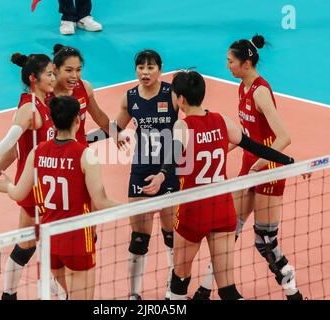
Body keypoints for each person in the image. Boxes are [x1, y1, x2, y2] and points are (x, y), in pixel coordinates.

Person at [144, 70, 295, 300]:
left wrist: (162, 176)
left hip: (193, 210)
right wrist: (287, 160)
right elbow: (254, 146)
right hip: (223, 209)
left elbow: (174, 155)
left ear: (181, 99)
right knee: (228, 290)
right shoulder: (221, 121)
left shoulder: (182, 127)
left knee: (180, 279)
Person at [193, 35, 304, 300]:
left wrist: (259, 164)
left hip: (268, 169)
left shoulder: (261, 91)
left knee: (265, 241)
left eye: (231, 61)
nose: (227, 66)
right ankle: (205, 289)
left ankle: (293, 291)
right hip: (250, 166)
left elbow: (284, 137)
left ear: (246, 63)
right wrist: (221, 148)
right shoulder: (242, 87)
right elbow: (246, 132)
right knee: (227, 232)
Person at [0, 96, 120, 299]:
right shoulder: (85, 155)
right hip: (78, 241)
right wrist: (135, 208)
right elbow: (101, 202)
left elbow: (18, 192)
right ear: (77, 121)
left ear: (52, 122)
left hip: (50, 242)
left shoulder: (38, 152)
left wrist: (6, 185)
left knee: (66, 293)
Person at [89, 50, 178, 300]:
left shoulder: (171, 94)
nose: (145, 72)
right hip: (140, 171)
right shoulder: (130, 97)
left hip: (169, 171)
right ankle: (133, 294)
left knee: (171, 235)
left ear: (160, 69)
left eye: (150, 67)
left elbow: (188, 123)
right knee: (139, 238)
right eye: (140, 67)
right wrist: (81, 140)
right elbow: (114, 129)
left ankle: (174, 290)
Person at [0, 52, 56, 300]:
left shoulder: (45, 102)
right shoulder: (29, 108)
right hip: (36, 187)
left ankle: (9, 295)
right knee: (46, 246)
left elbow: (15, 151)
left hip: (45, 183)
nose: (54, 78)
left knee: (28, 242)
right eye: (49, 74)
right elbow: (11, 140)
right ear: (34, 78)